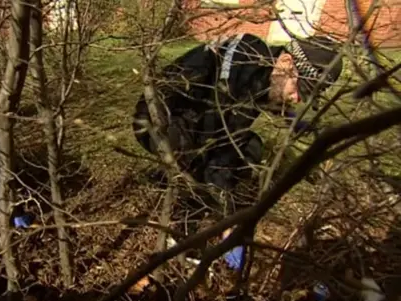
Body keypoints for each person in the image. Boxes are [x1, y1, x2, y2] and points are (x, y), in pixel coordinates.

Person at [132, 33, 344, 212]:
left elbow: (236, 128)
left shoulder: (263, 70)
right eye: (299, 89)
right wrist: (229, 216)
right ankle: (184, 223)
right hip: (157, 121)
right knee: (206, 163)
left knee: (251, 146)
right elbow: (221, 140)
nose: (297, 99)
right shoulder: (242, 72)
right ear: (286, 63)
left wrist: (293, 120)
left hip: (199, 121)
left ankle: (204, 195)